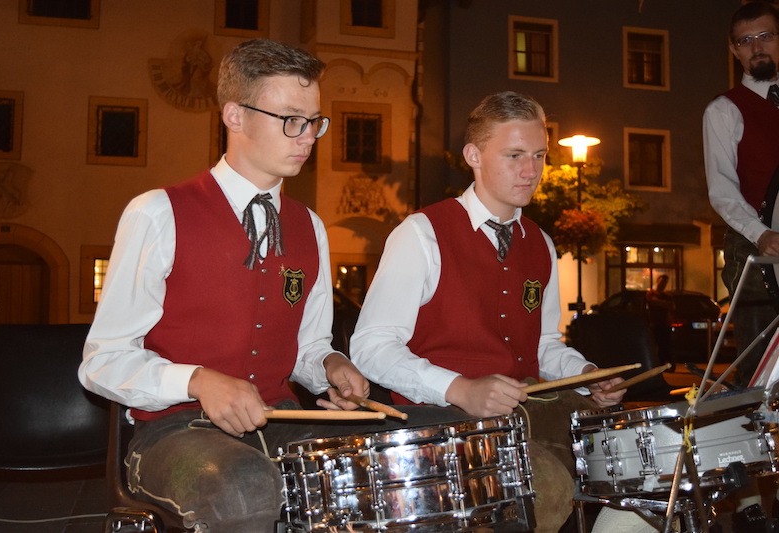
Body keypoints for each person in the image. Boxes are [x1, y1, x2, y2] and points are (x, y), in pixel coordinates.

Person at [78, 39, 370, 532]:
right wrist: (196, 379)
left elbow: (308, 347)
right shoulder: (157, 213)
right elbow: (102, 362)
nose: (308, 137)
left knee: (362, 475)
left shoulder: (311, 227)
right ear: (235, 116)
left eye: (314, 121)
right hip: (174, 431)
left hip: (279, 421)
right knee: (242, 487)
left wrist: (330, 366)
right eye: (291, 119)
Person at [350, 91, 627, 533]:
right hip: (443, 427)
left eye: (539, 155)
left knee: (632, 466)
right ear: (473, 156)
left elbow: (543, 345)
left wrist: (587, 374)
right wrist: (458, 388)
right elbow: (371, 346)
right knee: (550, 487)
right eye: (514, 155)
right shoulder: (422, 234)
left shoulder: (541, 243)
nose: (531, 170)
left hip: (524, 420)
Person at [703, 2, 779, 531]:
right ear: (734, 51)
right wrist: (763, 233)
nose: (757, 47)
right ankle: (750, 502)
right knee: (758, 382)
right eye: (746, 41)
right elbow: (722, 191)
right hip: (754, 251)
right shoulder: (724, 110)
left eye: (766, 36)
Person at [646, 274, 674, 365]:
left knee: (665, 344)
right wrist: (664, 303)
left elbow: (672, 306)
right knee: (658, 343)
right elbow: (653, 301)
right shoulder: (651, 293)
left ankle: (664, 362)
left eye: (665, 282)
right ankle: (661, 362)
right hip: (656, 323)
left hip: (665, 323)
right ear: (658, 281)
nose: (663, 284)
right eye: (662, 282)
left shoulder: (667, 296)